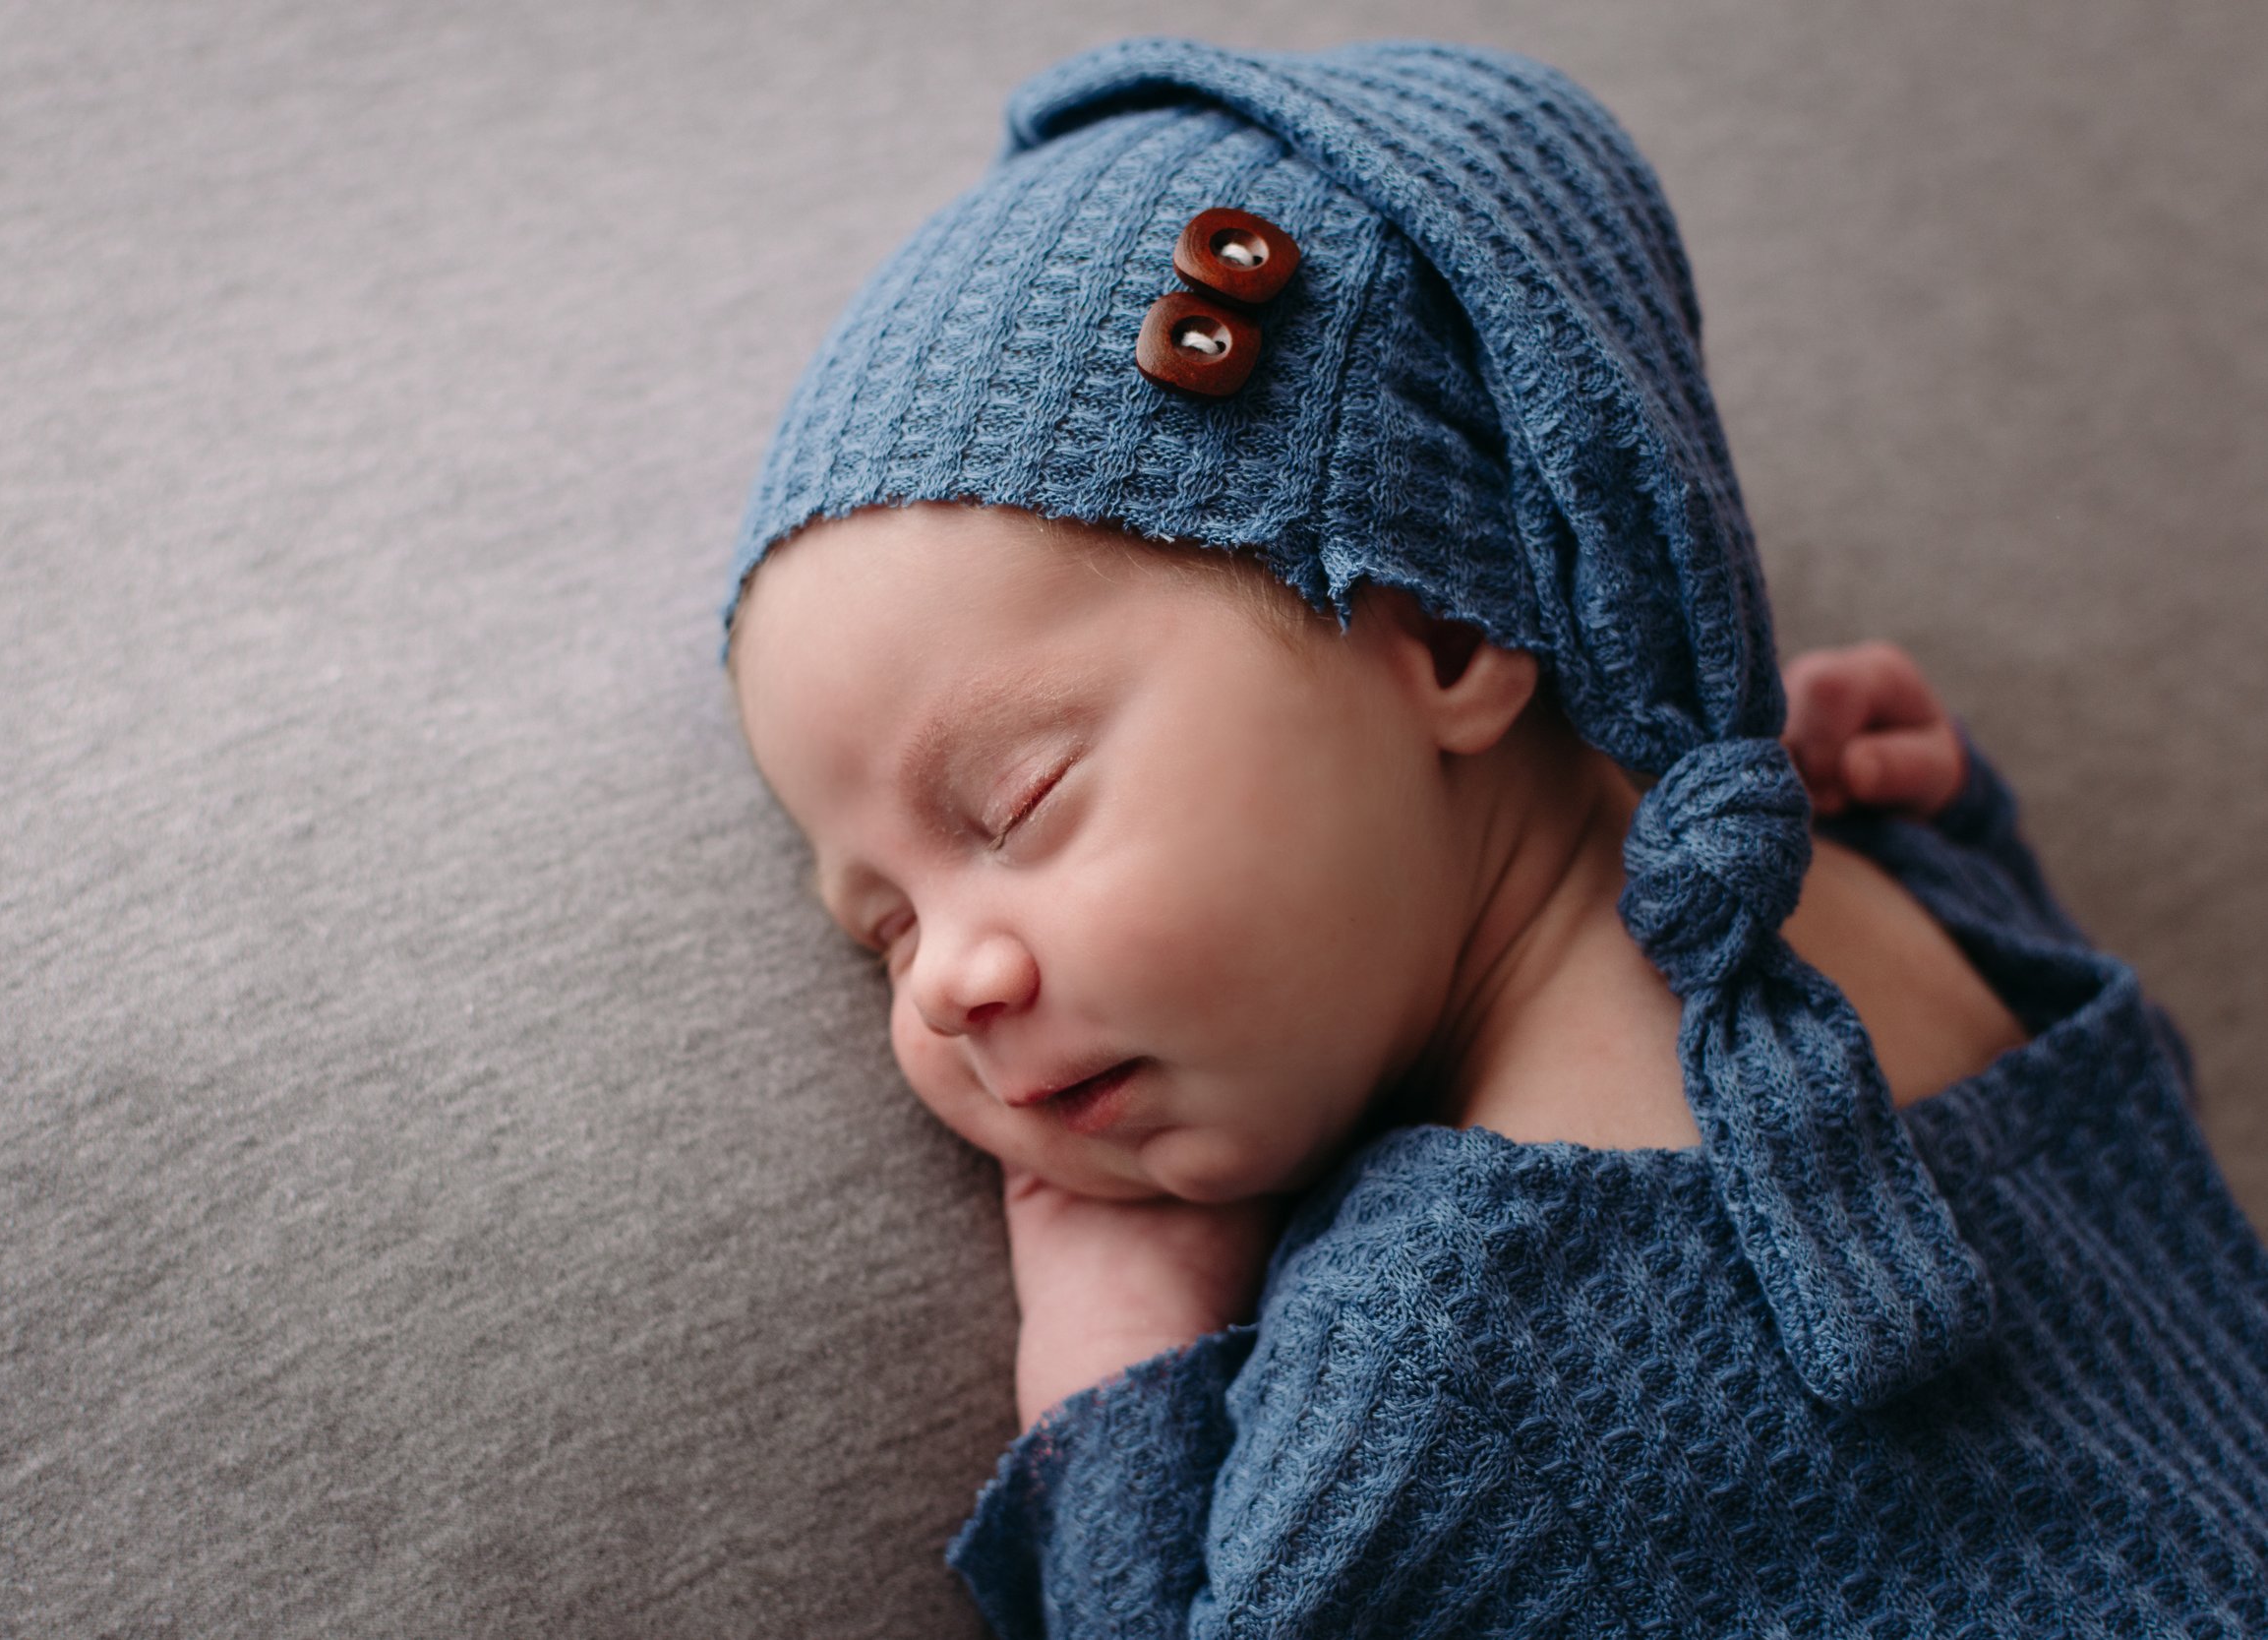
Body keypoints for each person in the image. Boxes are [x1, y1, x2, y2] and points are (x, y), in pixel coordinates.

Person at [724, 37, 2268, 1638]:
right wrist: (1960, 827)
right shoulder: (1885, 897)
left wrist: (1117, 1389)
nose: (947, 984)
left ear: (1452, 633)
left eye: (1018, 808)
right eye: (881, 929)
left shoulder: (1450, 1347)